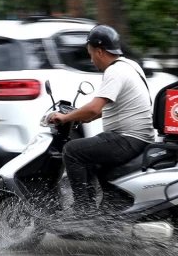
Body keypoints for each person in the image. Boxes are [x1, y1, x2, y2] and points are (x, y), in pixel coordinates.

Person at [47, 24, 155, 215]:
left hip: (128, 139)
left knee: (72, 150)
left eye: (90, 54)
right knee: (91, 154)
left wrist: (65, 117)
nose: (92, 60)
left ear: (99, 51)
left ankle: (83, 210)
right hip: (139, 138)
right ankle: (108, 210)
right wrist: (84, 117)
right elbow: (115, 106)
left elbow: (95, 106)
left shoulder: (114, 72)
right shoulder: (130, 65)